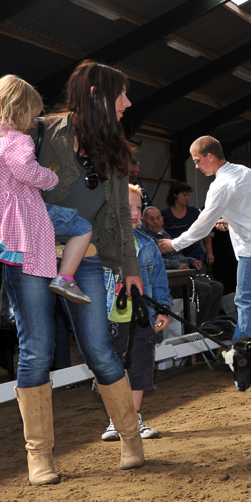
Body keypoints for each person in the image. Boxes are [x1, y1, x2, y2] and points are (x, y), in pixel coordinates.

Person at [1, 60, 146, 485]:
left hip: (86, 257)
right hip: (28, 255)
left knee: (100, 349)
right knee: (36, 350)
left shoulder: (117, 150)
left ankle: (131, 439)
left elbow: (118, 212)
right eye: (121, 94)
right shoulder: (39, 131)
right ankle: (39, 455)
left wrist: (130, 268)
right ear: (98, 95)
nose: (128, 103)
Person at [0, 74, 94, 318]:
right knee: (82, 228)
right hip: (14, 206)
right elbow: (24, 171)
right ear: (19, 110)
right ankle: (65, 278)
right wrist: (49, 178)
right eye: (31, 116)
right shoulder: (18, 140)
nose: (31, 124)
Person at [157, 136, 251, 343]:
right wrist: (230, 221)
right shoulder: (246, 171)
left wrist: (174, 243)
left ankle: (244, 349)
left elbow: (202, 224)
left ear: (210, 156)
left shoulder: (221, 184)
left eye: (197, 160)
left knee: (244, 299)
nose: (196, 166)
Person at [102, 185, 170, 441]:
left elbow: (159, 280)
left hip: (141, 318)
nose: (134, 213)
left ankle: (133, 418)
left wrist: (162, 309)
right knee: (112, 370)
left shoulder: (148, 245)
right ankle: (115, 419)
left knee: (140, 367)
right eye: (127, 207)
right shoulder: (99, 246)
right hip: (108, 318)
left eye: (137, 208)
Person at [139, 206, 224, 326]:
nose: (155, 222)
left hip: (185, 273)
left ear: (162, 219)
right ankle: (202, 328)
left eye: (158, 218)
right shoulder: (145, 239)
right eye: (151, 219)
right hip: (171, 280)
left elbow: (176, 254)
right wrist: (177, 265)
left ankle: (212, 324)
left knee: (217, 286)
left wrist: (192, 260)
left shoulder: (163, 234)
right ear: (143, 221)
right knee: (205, 289)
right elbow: (155, 262)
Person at [162, 181, 213, 269]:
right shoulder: (164, 214)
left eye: (188, 195)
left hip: (196, 253)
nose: (187, 198)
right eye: (184, 195)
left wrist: (209, 252)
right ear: (175, 195)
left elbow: (205, 233)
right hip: (176, 256)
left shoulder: (194, 212)